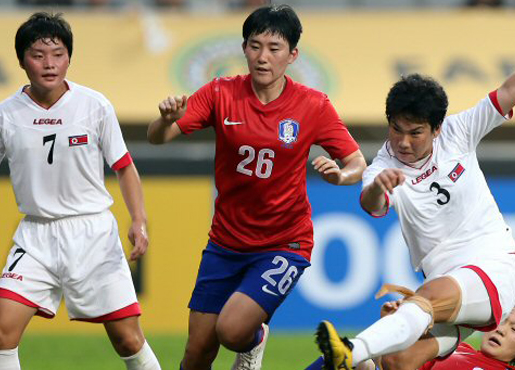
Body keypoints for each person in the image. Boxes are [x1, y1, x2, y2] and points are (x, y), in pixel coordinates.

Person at [315, 10, 515, 370]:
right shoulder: (383, 168)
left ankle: (352, 352)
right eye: (396, 129)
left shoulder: (458, 132)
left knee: (426, 299)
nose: (403, 142)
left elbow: (512, 89)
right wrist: (376, 189)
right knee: (397, 362)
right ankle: (370, 359)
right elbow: (370, 203)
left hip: (492, 268)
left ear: (436, 129)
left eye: (415, 132)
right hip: (447, 286)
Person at [0, 12, 161, 370]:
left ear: (69, 57)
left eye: (58, 54)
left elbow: (124, 167)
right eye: (38, 55)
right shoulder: (4, 115)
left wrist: (138, 220)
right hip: (36, 236)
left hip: (92, 231)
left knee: (127, 338)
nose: (49, 64)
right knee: (0, 332)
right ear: (21, 61)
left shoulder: (95, 106)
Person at [147, 4, 366, 370]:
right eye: (254, 46)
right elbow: (159, 137)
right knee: (197, 351)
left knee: (231, 331)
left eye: (274, 48)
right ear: (244, 48)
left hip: (284, 242)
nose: (262, 57)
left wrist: (340, 177)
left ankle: (254, 339)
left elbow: (357, 162)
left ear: (293, 54)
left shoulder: (312, 105)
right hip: (225, 242)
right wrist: (164, 119)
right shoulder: (221, 93)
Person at [306, 291, 515, 370]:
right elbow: (391, 364)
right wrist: (389, 327)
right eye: (502, 321)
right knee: (349, 358)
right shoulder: (455, 347)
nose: (501, 330)